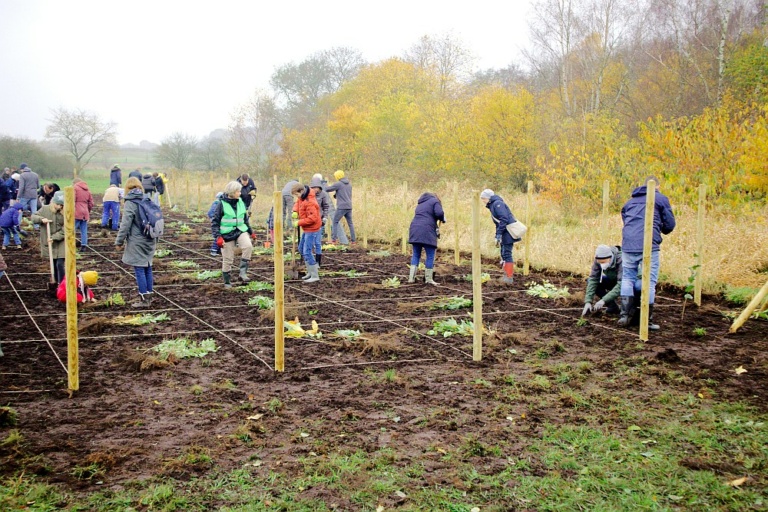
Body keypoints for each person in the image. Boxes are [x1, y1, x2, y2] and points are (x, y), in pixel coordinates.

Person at [617, 176, 676, 331]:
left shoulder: (630, 202)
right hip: (648, 245)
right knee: (649, 281)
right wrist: (660, 229)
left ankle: (625, 316)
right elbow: (670, 225)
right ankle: (646, 320)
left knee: (627, 278)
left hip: (628, 244)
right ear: (658, 186)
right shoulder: (660, 199)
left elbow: (626, 219)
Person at [115, 177, 158, 308]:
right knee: (147, 266)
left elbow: (125, 224)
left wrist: (119, 241)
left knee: (139, 268)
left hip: (137, 241)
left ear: (127, 189)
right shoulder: (147, 199)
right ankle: (149, 296)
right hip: (150, 239)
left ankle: (144, 299)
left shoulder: (130, 203)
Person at [211, 181, 254, 288]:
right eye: (238, 191)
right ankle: (227, 282)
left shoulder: (240, 202)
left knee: (248, 246)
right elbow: (215, 222)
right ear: (232, 192)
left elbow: (244, 219)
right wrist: (218, 237)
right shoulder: (221, 204)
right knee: (228, 258)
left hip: (240, 230)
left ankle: (243, 273)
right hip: (226, 234)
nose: (240, 193)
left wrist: (251, 232)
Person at [480, 189, 520, 284]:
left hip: (508, 232)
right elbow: (498, 223)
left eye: (483, 198)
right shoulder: (493, 205)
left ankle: (509, 277)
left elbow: (504, 218)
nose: (483, 200)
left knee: (506, 253)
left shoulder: (497, 204)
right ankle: (506, 275)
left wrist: (499, 234)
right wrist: (497, 235)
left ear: (488, 197)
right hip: (504, 232)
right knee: (503, 253)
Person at [407, 192, 446, 285]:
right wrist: (443, 218)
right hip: (427, 230)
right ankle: (428, 279)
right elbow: (439, 213)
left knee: (416, 254)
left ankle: (411, 278)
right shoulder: (435, 201)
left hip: (415, 229)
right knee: (430, 255)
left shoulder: (421, 203)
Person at [31, 191, 66, 283]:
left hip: (61, 241)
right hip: (49, 241)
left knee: (60, 263)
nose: (59, 207)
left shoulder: (66, 212)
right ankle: (55, 281)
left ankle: (62, 283)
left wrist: (54, 237)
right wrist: (41, 219)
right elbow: (33, 217)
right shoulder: (45, 209)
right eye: (58, 204)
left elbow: (67, 229)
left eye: (62, 205)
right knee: (53, 263)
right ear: (53, 202)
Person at [291, 182, 322, 283]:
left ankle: (314, 275)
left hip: (312, 229)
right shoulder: (303, 197)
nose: (296, 197)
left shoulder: (310, 201)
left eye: (296, 194)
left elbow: (313, 218)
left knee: (307, 252)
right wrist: (295, 211)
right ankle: (309, 272)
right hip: (307, 228)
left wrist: (299, 222)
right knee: (301, 248)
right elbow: (298, 203)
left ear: (301, 191)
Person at [582, 245, 622, 316]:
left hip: (630, 284)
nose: (601, 264)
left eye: (603, 262)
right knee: (591, 281)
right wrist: (588, 302)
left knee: (631, 289)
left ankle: (628, 311)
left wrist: (603, 300)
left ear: (610, 257)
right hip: (614, 280)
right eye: (600, 262)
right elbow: (593, 279)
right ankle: (613, 307)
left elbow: (621, 284)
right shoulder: (598, 260)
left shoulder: (621, 260)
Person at [326, 170, 355, 245]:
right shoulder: (349, 184)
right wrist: (336, 195)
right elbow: (344, 193)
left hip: (341, 206)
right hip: (349, 206)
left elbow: (327, 189)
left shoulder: (338, 184)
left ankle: (333, 240)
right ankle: (353, 240)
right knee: (350, 223)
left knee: (335, 222)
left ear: (337, 176)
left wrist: (321, 186)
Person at [309, 174, 331, 255]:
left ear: (319, 187)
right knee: (310, 238)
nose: (315, 189)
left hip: (319, 219)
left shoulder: (323, 194)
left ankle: (318, 257)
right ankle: (310, 252)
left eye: (316, 188)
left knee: (318, 239)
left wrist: (325, 217)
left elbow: (326, 206)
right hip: (310, 219)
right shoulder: (309, 195)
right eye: (313, 187)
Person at [73, 178, 94, 248]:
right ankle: (84, 245)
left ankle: (70, 244)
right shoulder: (87, 190)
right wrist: (88, 211)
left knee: (72, 229)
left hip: (76, 211)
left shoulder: (74, 188)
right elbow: (91, 203)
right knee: (84, 230)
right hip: (85, 212)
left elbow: (72, 200)